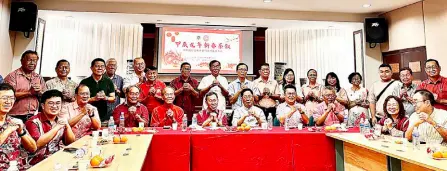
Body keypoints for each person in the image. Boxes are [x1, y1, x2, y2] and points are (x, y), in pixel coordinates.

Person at [25, 90, 75, 165]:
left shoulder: (59, 120)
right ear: (42, 106)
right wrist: (57, 127)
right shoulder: (33, 122)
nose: (55, 106)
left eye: (58, 103)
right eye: (51, 103)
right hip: (35, 163)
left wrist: (67, 126)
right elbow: (37, 144)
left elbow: (70, 143)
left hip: (56, 160)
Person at [0, 83, 36, 170]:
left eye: (12, 98)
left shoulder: (14, 121)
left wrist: (21, 132)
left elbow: (33, 148)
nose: (8, 102)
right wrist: (8, 130)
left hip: (17, 167)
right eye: (4, 98)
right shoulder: (11, 125)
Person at [5, 50, 46, 123]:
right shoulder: (12, 76)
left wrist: (40, 92)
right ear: (22, 61)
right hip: (14, 116)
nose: (32, 63)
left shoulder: (38, 77)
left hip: (33, 116)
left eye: (35, 60)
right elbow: (8, 96)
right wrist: (29, 92)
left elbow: (45, 97)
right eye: (29, 60)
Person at [80, 58, 116, 122]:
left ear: (104, 68)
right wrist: (94, 99)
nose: (100, 68)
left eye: (102, 66)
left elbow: (113, 98)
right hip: (87, 113)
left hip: (104, 114)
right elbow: (79, 100)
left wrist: (105, 98)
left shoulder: (108, 81)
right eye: (97, 66)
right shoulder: (85, 82)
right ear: (91, 68)